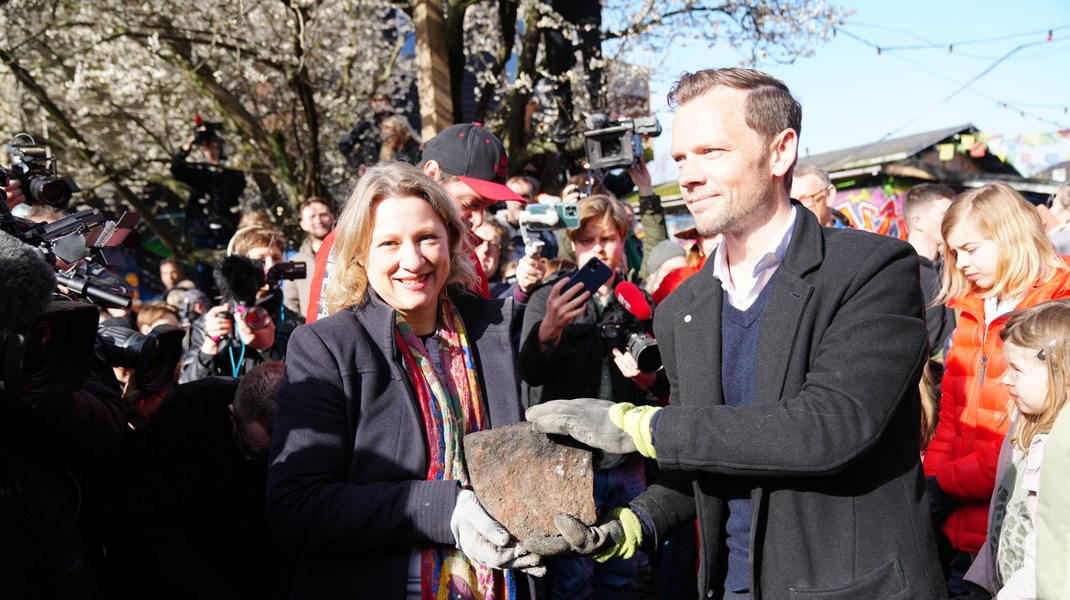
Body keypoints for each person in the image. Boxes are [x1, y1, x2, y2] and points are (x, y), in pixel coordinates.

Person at [523, 67, 947, 599]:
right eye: (680, 159)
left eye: (711, 152)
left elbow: (829, 428)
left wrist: (637, 427)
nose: (689, 175)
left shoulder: (871, 269)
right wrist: (630, 526)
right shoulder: (683, 307)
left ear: (780, 152)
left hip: (852, 587)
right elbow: (708, 454)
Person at [265, 162, 542, 598]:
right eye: (389, 243)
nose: (412, 261)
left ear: (453, 240)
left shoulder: (493, 332)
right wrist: (440, 508)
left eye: (427, 238)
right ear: (360, 253)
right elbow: (295, 508)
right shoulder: (326, 347)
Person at [923, 182, 1070, 594]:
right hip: (963, 524)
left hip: (1025, 529)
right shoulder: (973, 309)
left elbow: (1034, 431)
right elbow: (953, 412)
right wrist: (930, 489)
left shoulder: (1058, 310)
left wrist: (944, 485)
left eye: (970, 248)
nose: (959, 262)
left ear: (1009, 234)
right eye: (953, 252)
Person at [519, 193, 657, 599]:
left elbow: (657, 383)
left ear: (622, 240)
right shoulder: (551, 296)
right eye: (588, 239)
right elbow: (529, 370)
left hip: (627, 457)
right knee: (573, 578)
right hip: (571, 461)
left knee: (624, 572)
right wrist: (549, 328)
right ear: (573, 243)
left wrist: (646, 379)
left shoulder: (634, 300)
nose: (599, 247)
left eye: (609, 238)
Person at [305, 123, 534, 323]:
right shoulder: (352, 241)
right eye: (469, 203)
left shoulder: (466, 252)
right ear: (432, 173)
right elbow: (324, 347)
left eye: (486, 207)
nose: (478, 219)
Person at [123, 362, 291, 599]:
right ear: (232, 416)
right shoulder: (187, 412)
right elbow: (159, 521)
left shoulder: (315, 417)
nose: (261, 462)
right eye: (254, 452)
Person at [959, 299, 1070, 599]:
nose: (1006, 380)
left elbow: (1049, 558)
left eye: (1017, 370)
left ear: (1061, 373)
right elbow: (1004, 509)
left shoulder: (1058, 450)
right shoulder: (1022, 425)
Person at [179, 227, 299, 383]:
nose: (270, 266)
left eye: (276, 258)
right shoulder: (210, 323)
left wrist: (269, 350)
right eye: (260, 260)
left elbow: (304, 386)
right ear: (237, 263)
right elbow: (186, 385)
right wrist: (210, 344)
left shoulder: (295, 324)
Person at [172, 119, 247, 250]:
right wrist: (190, 142)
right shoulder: (199, 175)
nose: (212, 149)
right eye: (207, 145)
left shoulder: (233, 174)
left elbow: (238, 187)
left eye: (215, 145)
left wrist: (218, 165)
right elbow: (176, 168)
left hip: (227, 228)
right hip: (201, 231)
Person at [903, 183, 957, 358]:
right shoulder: (902, 270)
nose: (952, 220)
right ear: (918, 222)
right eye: (944, 215)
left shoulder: (955, 266)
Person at [283, 197, 335, 318]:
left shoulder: (347, 251)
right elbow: (290, 302)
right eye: (312, 217)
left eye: (323, 215)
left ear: (332, 218)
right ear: (303, 224)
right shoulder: (294, 262)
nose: (318, 220)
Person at [790, 163, 851, 228]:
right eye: (792, 202)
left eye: (806, 199)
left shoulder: (853, 237)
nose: (798, 209)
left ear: (829, 195)